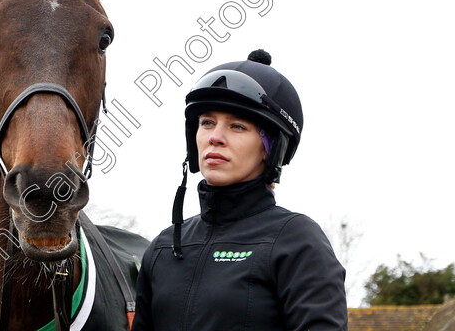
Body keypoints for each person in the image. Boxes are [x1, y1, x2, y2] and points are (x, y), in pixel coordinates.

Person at [132, 49, 347, 330]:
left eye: (237, 126)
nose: (215, 137)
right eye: (207, 122)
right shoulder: (162, 249)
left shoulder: (298, 242)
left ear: (270, 150)